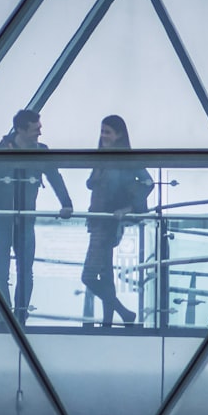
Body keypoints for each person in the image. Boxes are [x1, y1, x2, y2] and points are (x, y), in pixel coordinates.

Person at [0, 110, 73, 324]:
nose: (40, 133)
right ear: (20, 129)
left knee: (24, 272)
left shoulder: (40, 152)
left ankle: (19, 318)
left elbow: (55, 177)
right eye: (36, 129)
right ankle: (5, 318)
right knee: (2, 271)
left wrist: (67, 204)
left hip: (24, 222)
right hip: (1, 221)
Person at [81, 115, 153, 327]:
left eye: (108, 132)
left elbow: (148, 183)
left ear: (119, 135)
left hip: (108, 222)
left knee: (89, 276)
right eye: (102, 131)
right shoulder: (102, 159)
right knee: (105, 275)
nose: (103, 136)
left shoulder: (126, 160)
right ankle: (108, 322)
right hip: (98, 221)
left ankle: (123, 312)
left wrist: (129, 207)